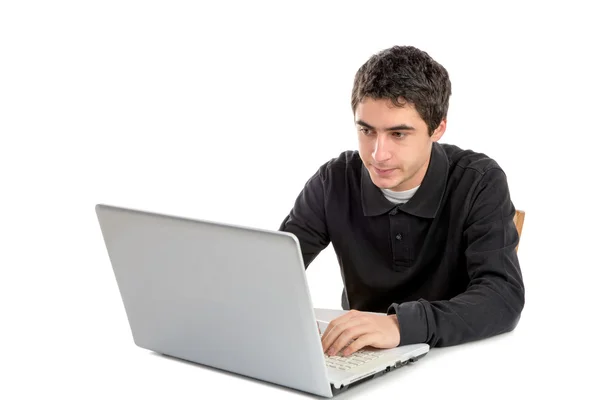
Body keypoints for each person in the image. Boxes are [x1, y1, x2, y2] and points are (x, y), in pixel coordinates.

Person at [278, 45, 525, 357]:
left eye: (398, 134)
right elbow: (275, 273)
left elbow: (503, 297)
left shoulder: (479, 180)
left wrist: (399, 325)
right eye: (366, 130)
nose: (378, 154)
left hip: (455, 356)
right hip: (359, 356)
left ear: (437, 128)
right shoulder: (333, 180)